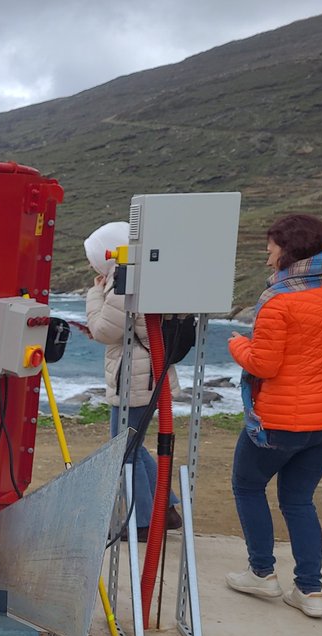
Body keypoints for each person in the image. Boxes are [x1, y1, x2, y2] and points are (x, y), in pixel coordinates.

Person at [225, 213, 322, 619]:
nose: (267, 254)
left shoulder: (280, 300)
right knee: (299, 499)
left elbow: (264, 365)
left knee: (248, 486)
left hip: (279, 421)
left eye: (271, 246)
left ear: (289, 249)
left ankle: (262, 574)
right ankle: (310, 591)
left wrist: (237, 345)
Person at [84, 221, 182, 541]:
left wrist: (94, 293)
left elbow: (104, 330)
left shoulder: (122, 279)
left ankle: (139, 523)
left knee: (125, 451)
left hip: (135, 380)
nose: (92, 265)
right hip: (150, 373)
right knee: (134, 447)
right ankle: (165, 508)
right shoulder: (146, 274)